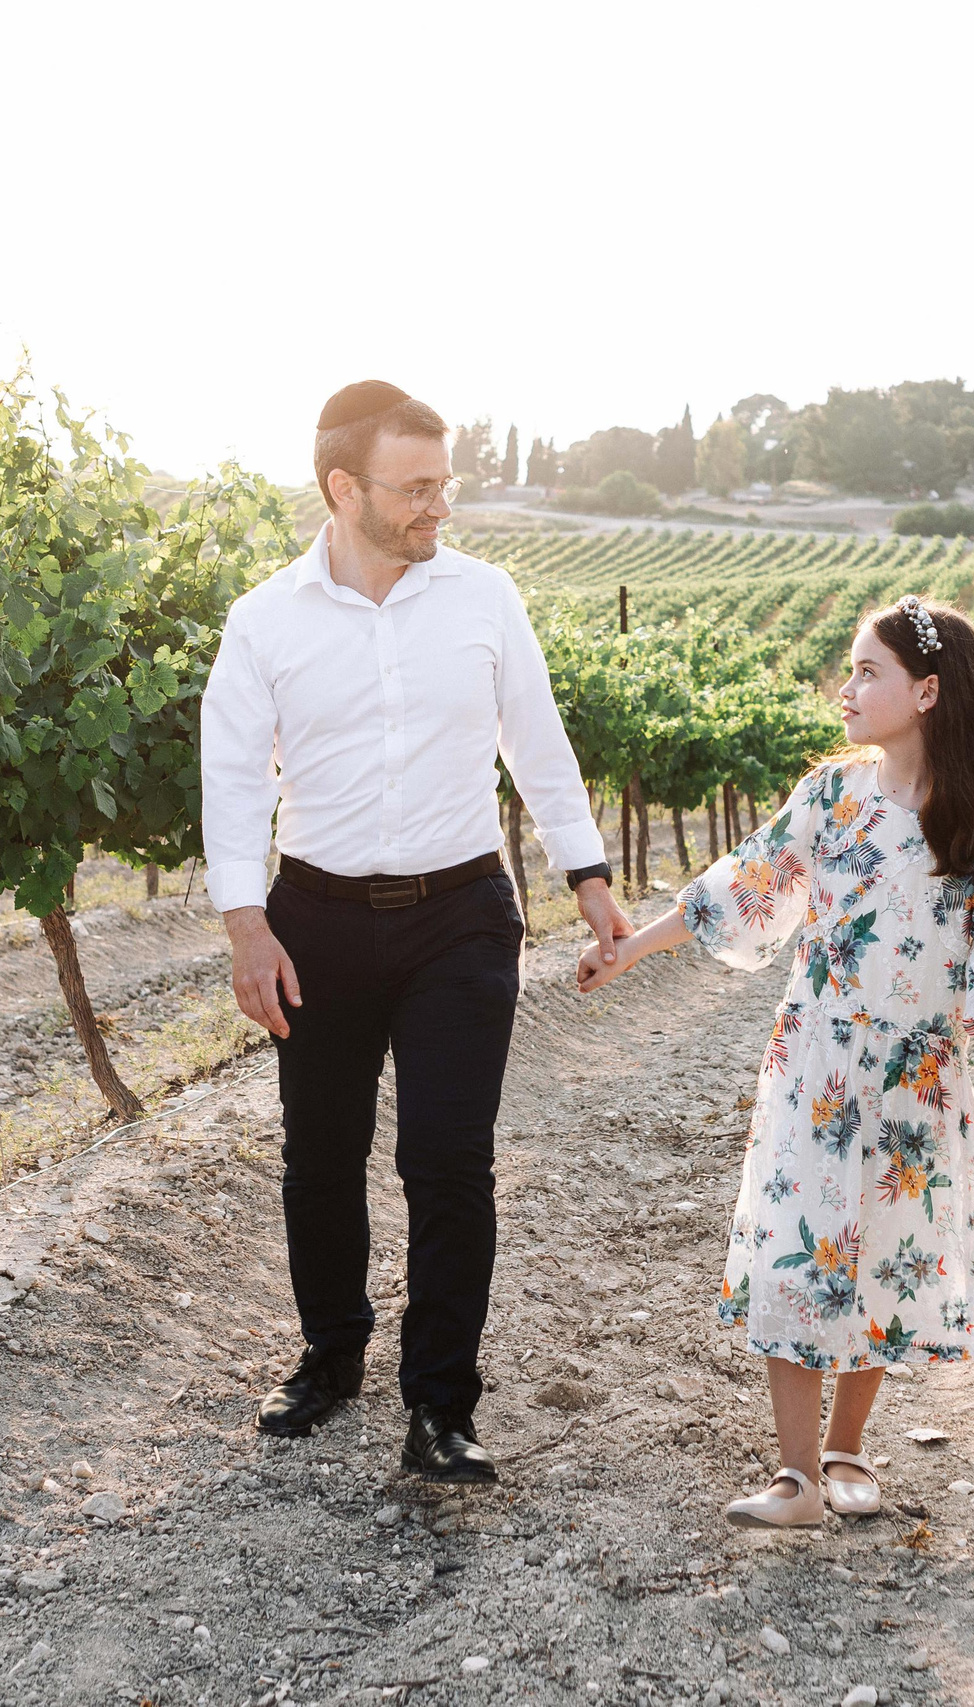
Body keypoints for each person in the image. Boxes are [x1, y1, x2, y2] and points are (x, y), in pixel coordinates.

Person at [202, 380, 632, 1482]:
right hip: (316, 920)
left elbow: (538, 744)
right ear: (345, 488)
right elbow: (233, 785)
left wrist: (585, 875)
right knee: (321, 1157)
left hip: (461, 919)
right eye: (417, 486)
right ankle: (330, 1358)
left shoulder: (484, 599)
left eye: (445, 483)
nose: (439, 504)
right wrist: (248, 929)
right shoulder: (264, 622)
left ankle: (440, 1404)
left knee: (450, 1163)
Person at [577, 595, 974, 1526]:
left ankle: (847, 1449)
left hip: (917, 1081)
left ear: (926, 691)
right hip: (815, 1067)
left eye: (866, 671)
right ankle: (795, 1476)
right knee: (800, 1245)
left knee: (882, 1251)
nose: (846, 689)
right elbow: (744, 887)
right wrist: (629, 948)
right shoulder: (831, 797)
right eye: (849, 669)